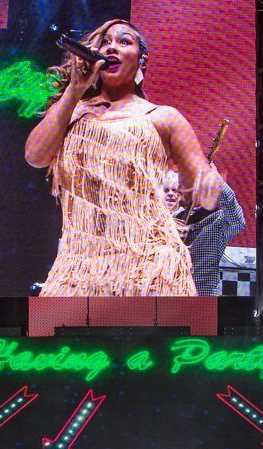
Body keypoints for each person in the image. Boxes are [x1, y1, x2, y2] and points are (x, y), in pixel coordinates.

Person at [25, 19, 223, 297]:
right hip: (79, 263)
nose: (112, 48)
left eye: (123, 41)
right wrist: (74, 89)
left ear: (141, 60)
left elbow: (207, 190)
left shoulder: (162, 117)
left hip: (149, 263)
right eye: (105, 42)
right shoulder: (73, 112)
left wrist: (202, 179)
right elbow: (35, 156)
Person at [163, 169, 246, 296]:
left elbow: (237, 221)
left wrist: (217, 179)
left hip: (203, 297)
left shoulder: (216, 220)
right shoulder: (171, 221)